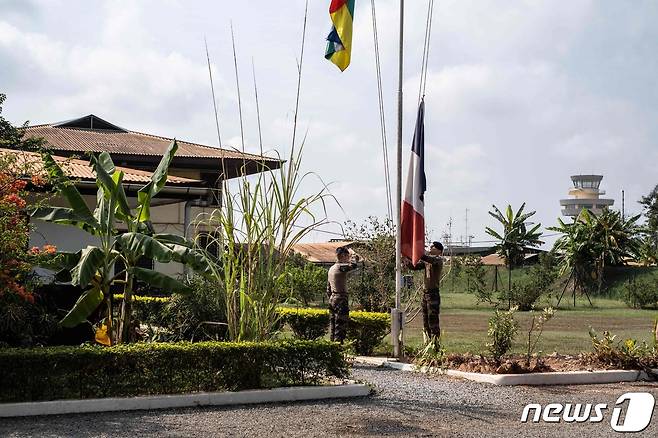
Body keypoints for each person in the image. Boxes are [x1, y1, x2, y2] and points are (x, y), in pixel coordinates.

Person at [406, 241, 444, 341]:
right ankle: (428, 343)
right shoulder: (428, 262)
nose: (430, 248)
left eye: (433, 247)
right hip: (425, 293)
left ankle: (435, 344)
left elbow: (425, 257)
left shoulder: (438, 260)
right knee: (425, 320)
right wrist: (406, 258)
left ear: (439, 251)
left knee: (433, 321)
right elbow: (414, 266)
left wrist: (417, 250)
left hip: (433, 294)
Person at [326, 246, 359, 343]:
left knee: (333, 325)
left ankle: (332, 347)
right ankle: (338, 347)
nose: (348, 259)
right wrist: (354, 256)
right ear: (343, 256)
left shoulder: (331, 269)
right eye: (347, 257)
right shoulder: (340, 267)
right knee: (341, 325)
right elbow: (353, 265)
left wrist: (331, 298)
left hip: (332, 298)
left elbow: (328, 288)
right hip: (340, 298)